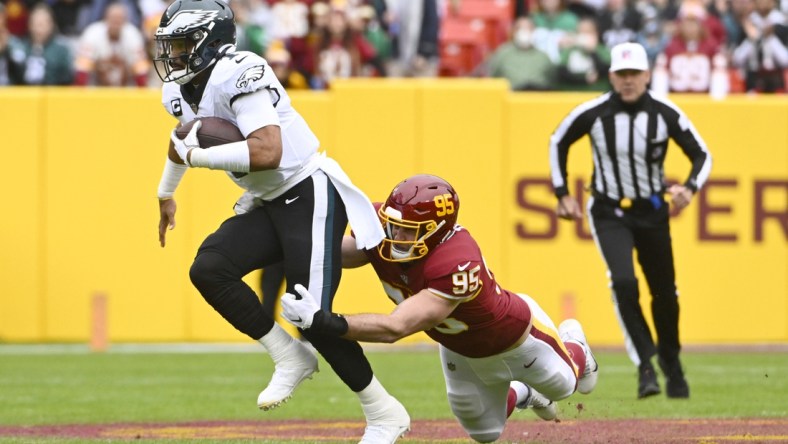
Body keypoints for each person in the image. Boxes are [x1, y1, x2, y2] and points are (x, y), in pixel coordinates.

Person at [152, 1, 410, 442]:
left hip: (309, 189)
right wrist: (166, 192)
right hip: (269, 198)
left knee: (310, 312)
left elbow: (267, 151)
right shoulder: (178, 91)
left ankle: (385, 413)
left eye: (181, 45)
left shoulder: (241, 70)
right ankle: (288, 355)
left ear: (209, 42)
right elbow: (182, 142)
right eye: (170, 46)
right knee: (210, 268)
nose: (173, 56)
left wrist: (200, 158)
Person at [280, 174, 600, 443]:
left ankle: (576, 344)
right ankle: (525, 393)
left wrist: (325, 321)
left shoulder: (457, 261)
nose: (396, 236)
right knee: (485, 433)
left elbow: (396, 328)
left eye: (408, 231)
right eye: (393, 226)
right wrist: (291, 246)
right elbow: (347, 252)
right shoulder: (387, 230)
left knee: (568, 385)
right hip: (458, 346)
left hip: (514, 337)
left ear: (436, 232)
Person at [548, 42, 712, 400]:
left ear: (647, 75)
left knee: (665, 293)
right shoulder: (594, 113)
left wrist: (690, 187)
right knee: (623, 282)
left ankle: (671, 359)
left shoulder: (665, 114)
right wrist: (561, 192)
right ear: (611, 76)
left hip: (652, 212)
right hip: (609, 210)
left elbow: (702, 153)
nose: (628, 81)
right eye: (621, 74)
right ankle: (645, 364)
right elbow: (558, 140)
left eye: (634, 74)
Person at [73, 2, 149, 87]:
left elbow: (141, 74)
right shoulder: (92, 33)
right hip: (96, 91)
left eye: (119, 19)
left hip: (126, 91)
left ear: (125, 20)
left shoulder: (133, 35)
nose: (116, 23)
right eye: (113, 18)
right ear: (105, 18)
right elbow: (82, 72)